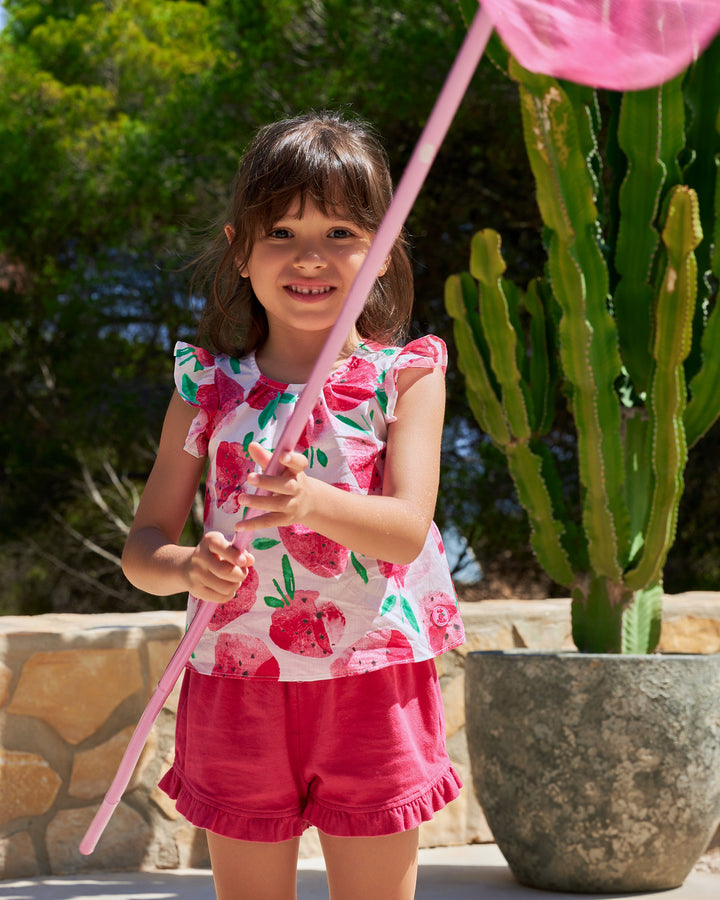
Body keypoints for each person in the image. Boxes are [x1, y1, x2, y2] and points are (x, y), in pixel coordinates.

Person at [121, 110, 464, 900]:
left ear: (382, 257)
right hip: (234, 682)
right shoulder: (204, 390)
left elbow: (407, 531)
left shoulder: (404, 378)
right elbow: (145, 546)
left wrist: (311, 499)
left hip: (372, 680)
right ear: (241, 251)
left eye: (342, 231)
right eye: (281, 231)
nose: (311, 257)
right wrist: (185, 567)